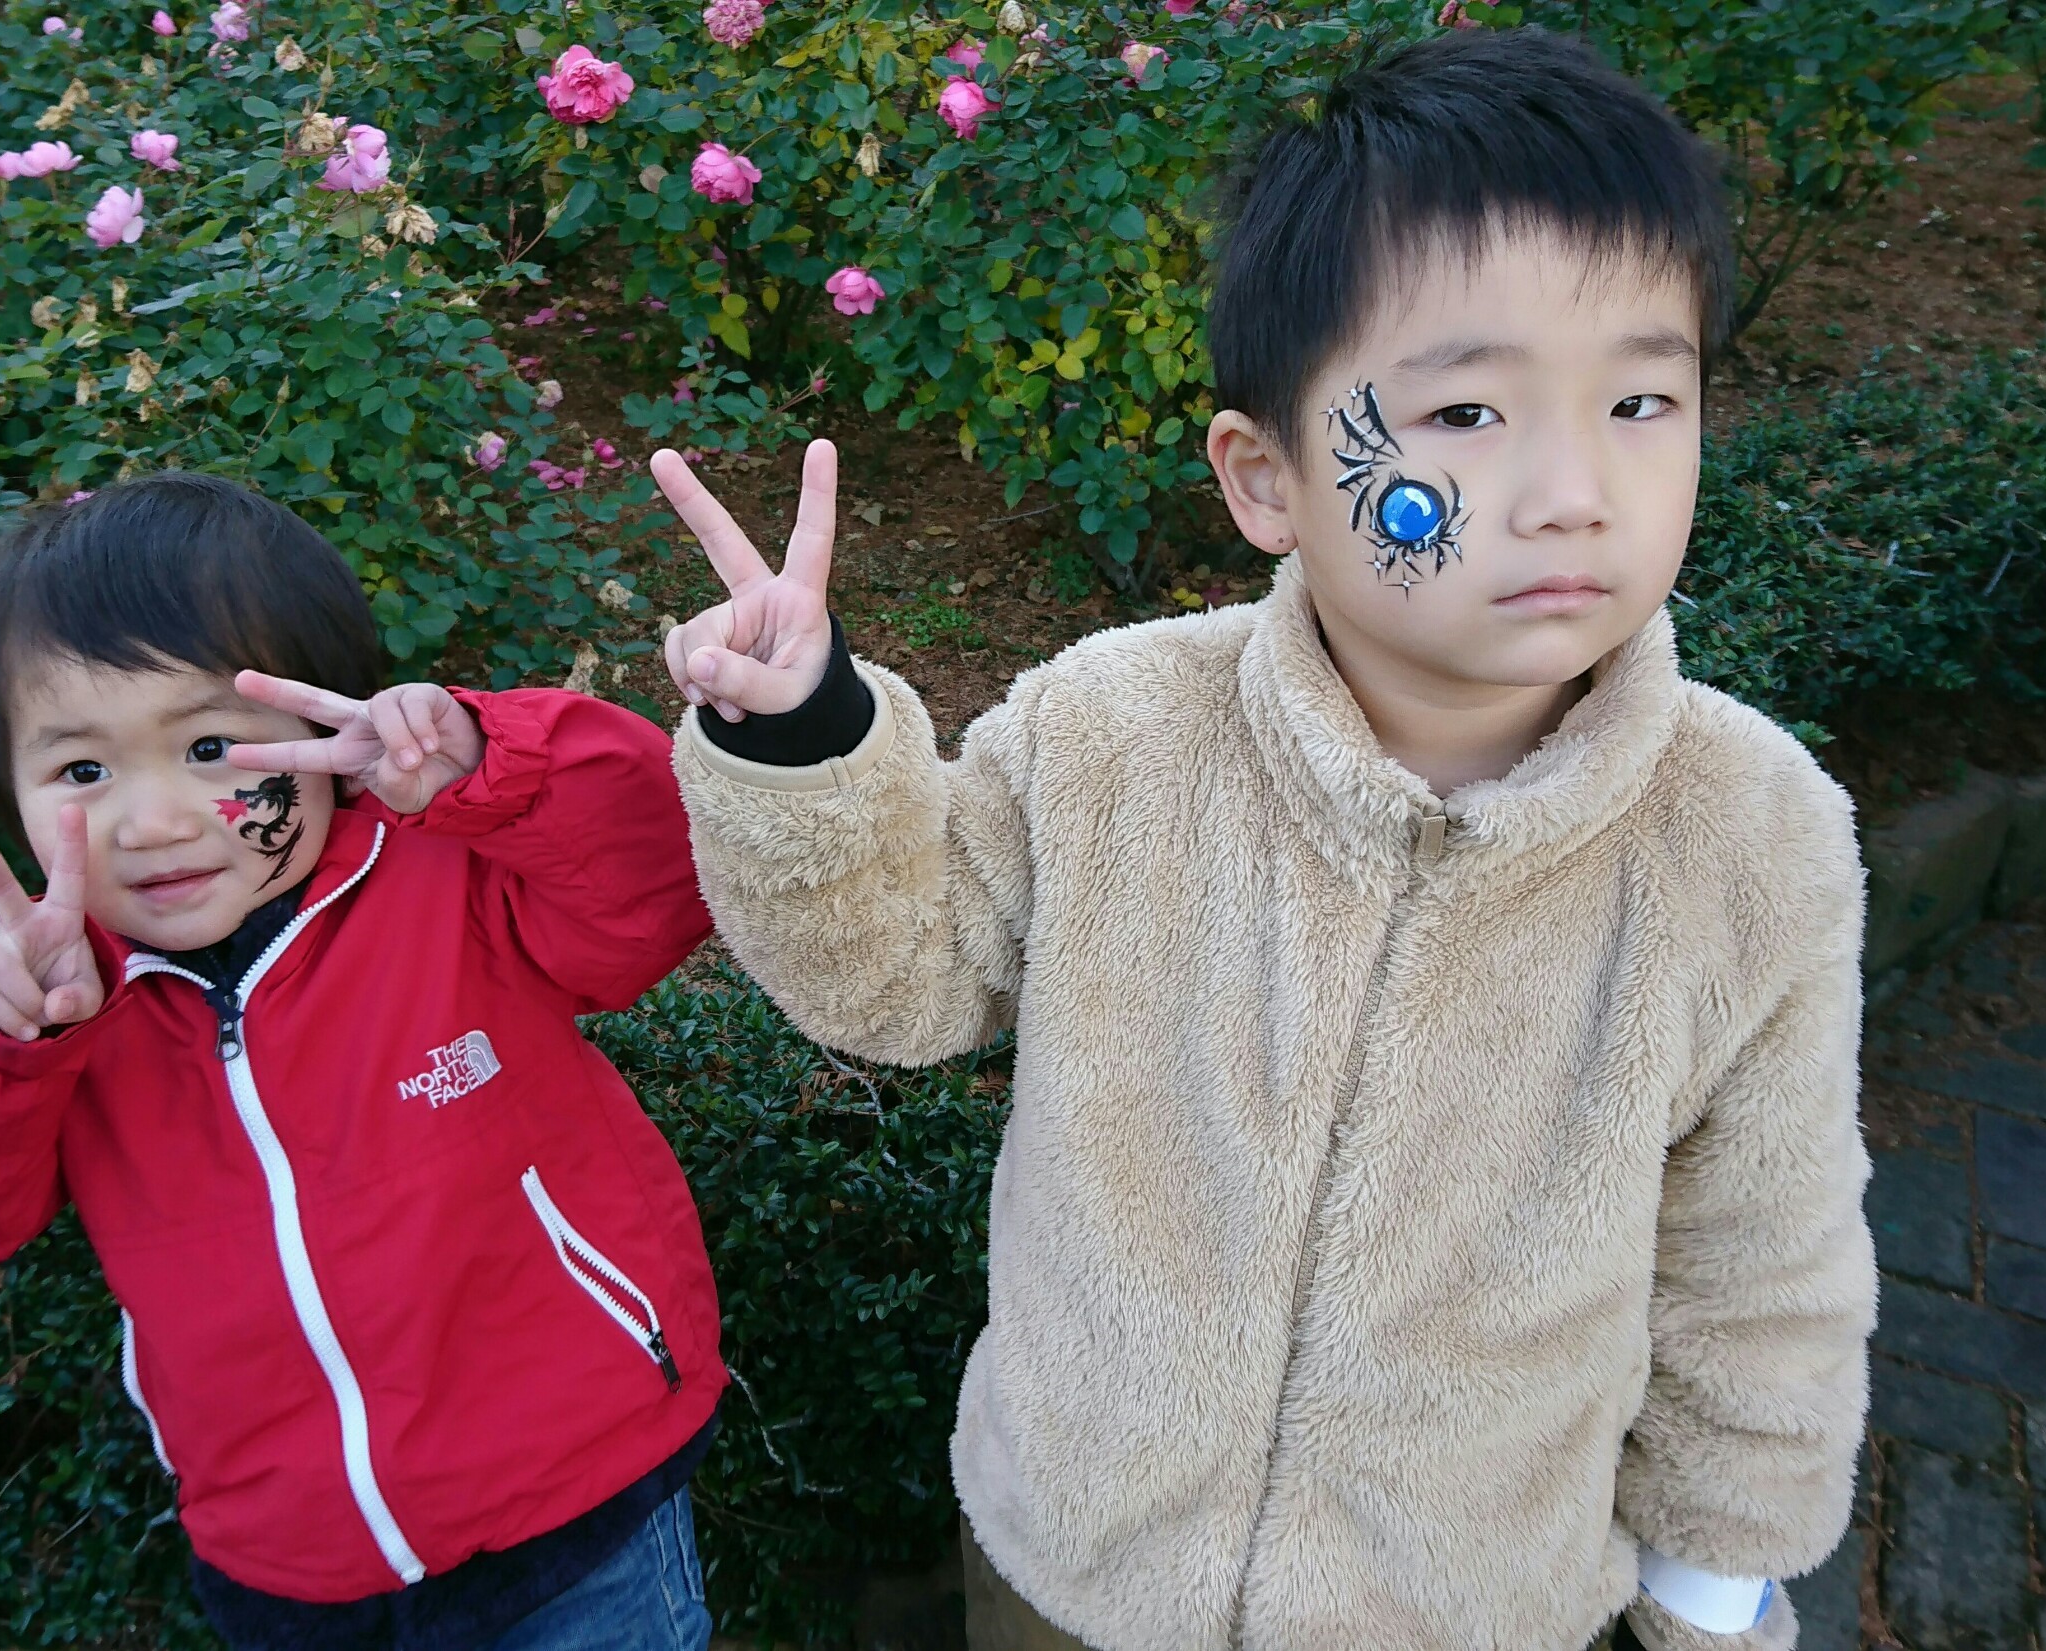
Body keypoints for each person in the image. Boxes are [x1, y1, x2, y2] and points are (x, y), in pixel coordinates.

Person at [647, 26, 1872, 1651]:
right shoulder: (1112, 735)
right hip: (1078, 1572)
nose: (1575, 488)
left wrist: (1710, 1593)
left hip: (1466, 1610)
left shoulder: (1749, 840)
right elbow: (897, 974)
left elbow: (1763, 1257)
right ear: (1265, 477)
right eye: (1466, 411)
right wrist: (800, 734)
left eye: (1639, 397)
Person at [0, 473, 723, 1651]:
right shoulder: (47, 1009)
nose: (152, 821)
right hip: (291, 1561)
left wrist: (491, 767)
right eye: (83, 772)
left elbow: (664, 879)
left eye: (211, 746)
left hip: (580, 1501)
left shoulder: (451, 886)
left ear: (329, 730)